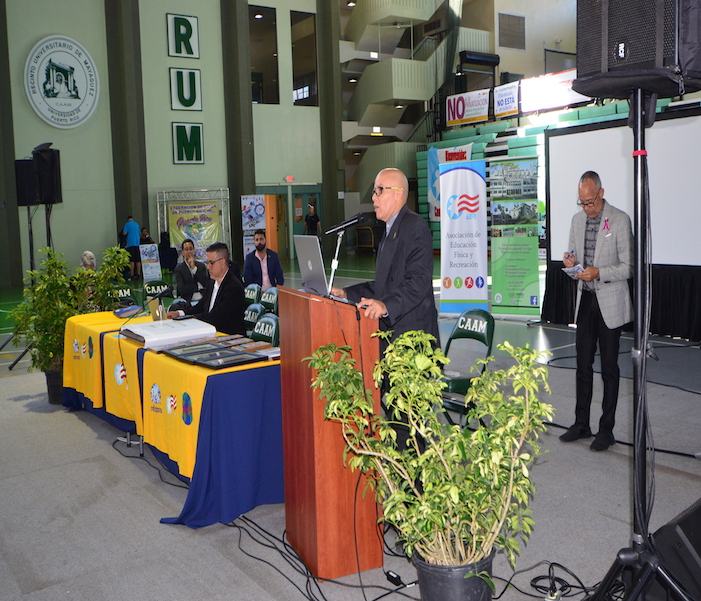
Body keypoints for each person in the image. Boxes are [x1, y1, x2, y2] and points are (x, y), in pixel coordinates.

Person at [560, 171, 633, 452]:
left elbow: (628, 267)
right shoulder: (577, 221)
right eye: (582, 202)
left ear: (601, 194)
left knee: (610, 370)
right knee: (582, 367)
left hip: (610, 304)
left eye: (590, 201)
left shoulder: (620, 219)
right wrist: (571, 262)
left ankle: (606, 430)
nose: (586, 207)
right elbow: (574, 258)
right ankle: (581, 424)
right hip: (586, 302)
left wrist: (598, 273)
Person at [331, 167, 439, 352]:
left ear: (398, 194)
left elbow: (419, 282)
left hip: (411, 340)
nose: (374, 197)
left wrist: (386, 305)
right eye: (374, 191)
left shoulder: (414, 227)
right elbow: (385, 284)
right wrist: (347, 294)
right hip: (392, 338)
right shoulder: (390, 230)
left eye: (379, 190)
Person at [166, 242, 245, 336]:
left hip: (229, 336)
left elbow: (218, 316)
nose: (208, 267)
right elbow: (201, 306)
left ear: (222, 262)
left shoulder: (233, 287)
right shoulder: (212, 283)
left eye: (211, 263)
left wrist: (190, 318)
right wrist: (180, 313)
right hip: (212, 332)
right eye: (207, 263)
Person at [173, 239, 209, 304]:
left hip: (203, 299)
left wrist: (194, 268)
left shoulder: (201, 266)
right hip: (188, 301)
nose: (189, 251)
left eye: (191, 249)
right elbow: (182, 289)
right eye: (186, 249)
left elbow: (206, 283)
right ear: (183, 252)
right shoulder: (179, 269)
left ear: (194, 250)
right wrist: (198, 286)